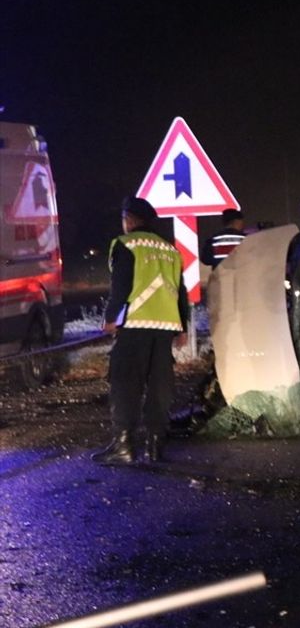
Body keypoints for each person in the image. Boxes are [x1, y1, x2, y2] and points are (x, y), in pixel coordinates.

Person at [92, 197, 189, 465]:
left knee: (125, 384)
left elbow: (121, 285)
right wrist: (183, 328)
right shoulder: (169, 249)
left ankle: (124, 447)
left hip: (135, 324)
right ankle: (156, 445)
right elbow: (181, 292)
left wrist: (111, 317)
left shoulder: (126, 244)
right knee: (160, 387)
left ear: (130, 219)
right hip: (165, 328)